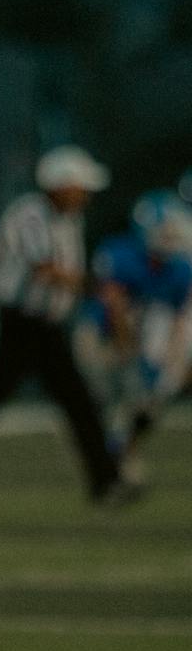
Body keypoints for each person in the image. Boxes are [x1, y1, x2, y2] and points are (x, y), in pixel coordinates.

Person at [0, 146, 133, 509]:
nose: (85, 194)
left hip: (50, 325)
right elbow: (45, 270)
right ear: (59, 185)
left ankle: (106, 483)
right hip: (15, 323)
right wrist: (98, 286)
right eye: (79, 185)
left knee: (80, 403)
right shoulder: (29, 214)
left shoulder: (69, 220)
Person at [75, 189, 192, 479]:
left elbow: (178, 319)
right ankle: (104, 461)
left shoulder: (180, 269)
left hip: (142, 337)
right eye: (164, 230)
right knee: (100, 399)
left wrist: (175, 359)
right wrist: (129, 350)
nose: (170, 237)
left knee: (148, 400)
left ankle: (121, 456)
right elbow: (114, 309)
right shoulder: (120, 255)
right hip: (100, 334)